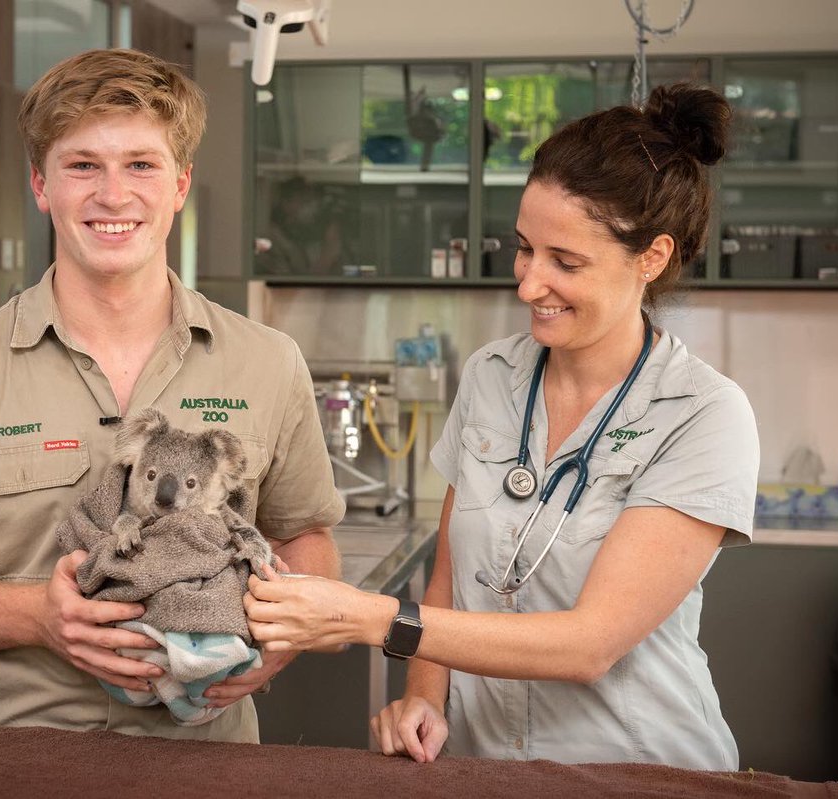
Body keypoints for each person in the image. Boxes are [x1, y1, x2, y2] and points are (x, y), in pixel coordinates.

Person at [0, 48, 345, 743]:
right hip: (21, 766)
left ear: (181, 183)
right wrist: (35, 615)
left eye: (141, 164)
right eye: (82, 165)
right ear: (41, 184)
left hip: (211, 768)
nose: (113, 194)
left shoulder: (268, 362)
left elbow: (305, 537)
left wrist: (273, 647)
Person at [244, 83, 760, 770]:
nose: (527, 283)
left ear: (653, 257)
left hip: (642, 770)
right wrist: (425, 696)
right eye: (524, 248)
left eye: (565, 261)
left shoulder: (701, 415)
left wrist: (370, 618)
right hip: (487, 768)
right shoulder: (492, 376)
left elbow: (589, 644)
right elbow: (449, 577)